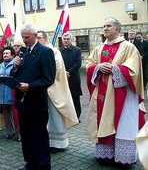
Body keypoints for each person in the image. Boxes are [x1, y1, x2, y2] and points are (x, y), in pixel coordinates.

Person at [85, 17, 146, 166]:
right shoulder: (99, 48)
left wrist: (114, 69)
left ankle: (123, 157)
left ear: (117, 30)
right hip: (102, 93)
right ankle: (105, 155)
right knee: (103, 119)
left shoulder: (128, 47)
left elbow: (134, 69)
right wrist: (98, 68)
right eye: (104, 26)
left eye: (109, 26)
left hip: (122, 94)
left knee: (123, 122)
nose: (105, 28)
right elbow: (89, 65)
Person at [11, 23, 56, 170]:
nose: (24, 40)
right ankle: (30, 163)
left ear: (35, 36)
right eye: (23, 37)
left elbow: (48, 79)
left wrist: (30, 86)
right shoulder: (22, 53)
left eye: (27, 37)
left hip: (36, 102)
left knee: (39, 136)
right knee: (27, 136)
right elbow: (15, 75)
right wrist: (15, 66)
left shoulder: (45, 52)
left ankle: (42, 166)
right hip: (22, 102)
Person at [37, 31, 78, 154]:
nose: (37, 40)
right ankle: (46, 141)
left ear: (45, 39)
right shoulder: (38, 51)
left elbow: (57, 68)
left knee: (55, 116)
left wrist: (42, 78)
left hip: (53, 87)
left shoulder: (53, 51)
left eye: (39, 38)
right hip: (41, 88)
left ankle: (58, 143)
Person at [60, 32, 82, 120]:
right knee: (65, 96)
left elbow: (78, 63)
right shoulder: (59, 51)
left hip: (74, 77)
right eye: (64, 39)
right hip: (63, 77)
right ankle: (67, 115)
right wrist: (63, 72)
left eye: (68, 39)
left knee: (75, 96)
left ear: (71, 40)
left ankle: (77, 115)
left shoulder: (77, 50)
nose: (66, 41)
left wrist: (69, 72)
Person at [0, 46, 16, 139]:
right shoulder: (0, 65)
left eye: (7, 53)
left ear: (12, 55)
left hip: (12, 92)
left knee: (15, 114)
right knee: (6, 114)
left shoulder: (15, 64)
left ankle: (19, 133)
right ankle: (10, 132)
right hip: (3, 93)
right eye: (4, 53)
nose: (5, 55)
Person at [12, 39, 24, 142]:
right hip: (13, 89)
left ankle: (22, 132)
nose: (16, 47)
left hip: (24, 88)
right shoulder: (13, 58)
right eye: (15, 45)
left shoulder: (24, 56)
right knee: (14, 112)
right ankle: (16, 131)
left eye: (18, 45)